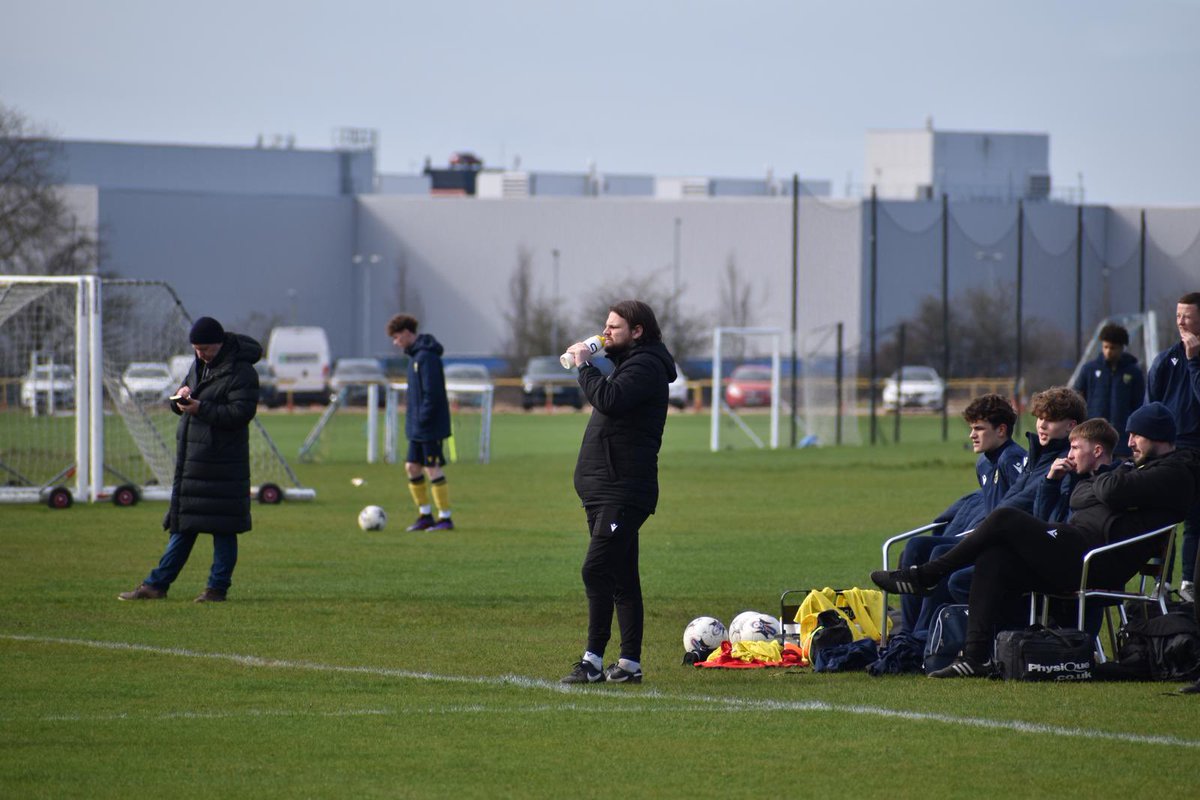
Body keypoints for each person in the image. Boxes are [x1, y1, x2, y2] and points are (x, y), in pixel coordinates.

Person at [872, 402, 1200, 678]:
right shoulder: (1132, 469)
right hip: (1075, 546)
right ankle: (973, 658)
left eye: (1137, 435)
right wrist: (1107, 480)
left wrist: (1106, 479)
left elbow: (1108, 489)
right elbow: (1081, 496)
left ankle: (928, 574)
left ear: (1158, 436)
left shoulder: (1175, 472)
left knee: (1004, 518)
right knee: (995, 557)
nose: (1130, 442)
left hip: (1094, 558)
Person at [560, 300, 676, 685]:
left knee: (596, 569)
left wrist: (583, 366)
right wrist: (595, 358)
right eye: (605, 326)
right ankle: (628, 664)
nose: (605, 332)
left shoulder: (645, 366)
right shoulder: (631, 363)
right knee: (623, 577)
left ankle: (592, 660)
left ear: (637, 331)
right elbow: (613, 387)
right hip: (604, 487)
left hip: (623, 489)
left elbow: (609, 399)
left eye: (614, 328)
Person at [118, 316, 261, 602]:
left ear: (219, 344)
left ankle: (216, 589)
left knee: (223, 530)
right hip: (194, 461)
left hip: (223, 464)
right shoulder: (199, 366)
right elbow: (188, 400)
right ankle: (155, 585)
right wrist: (181, 397)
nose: (200, 354)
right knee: (183, 527)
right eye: (196, 349)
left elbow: (240, 413)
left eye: (205, 348)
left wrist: (201, 408)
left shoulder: (242, 372)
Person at [895, 394, 1026, 635]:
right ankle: (907, 633)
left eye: (979, 428)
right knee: (914, 547)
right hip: (982, 538)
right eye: (971, 428)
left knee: (940, 553)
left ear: (1001, 430)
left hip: (1001, 546)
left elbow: (1025, 507)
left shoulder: (1013, 458)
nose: (972, 435)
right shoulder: (983, 463)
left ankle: (924, 635)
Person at [1147, 292, 1200, 603]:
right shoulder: (1166, 359)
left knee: (1195, 522)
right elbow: (1150, 408)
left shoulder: (1191, 360)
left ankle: (1189, 583)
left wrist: (1194, 363)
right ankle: (1161, 583)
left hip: (1197, 453)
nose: (1180, 321)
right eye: (1178, 315)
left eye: (1188, 316)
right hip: (1168, 454)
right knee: (1164, 521)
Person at [387, 313, 454, 531]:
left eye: (397, 338)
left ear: (407, 333)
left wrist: (423, 419)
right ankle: (424, 515)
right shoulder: (415, 358)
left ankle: (445, 518)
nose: (396, 343)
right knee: (412, 467)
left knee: (431, 468)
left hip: (429, 425)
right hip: (418, 426)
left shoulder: (427, 357)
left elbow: (432, 394)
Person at [1072, 323, 1144, 457]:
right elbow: (1077, 396)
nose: (1108, 351)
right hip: (1093, 436)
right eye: (1105, 347)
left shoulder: (1133, 372)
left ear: (1122, 348)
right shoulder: (1089, 369)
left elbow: (1139, 404)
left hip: (1122, 439)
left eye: (1113, 348)